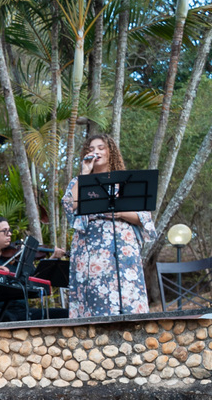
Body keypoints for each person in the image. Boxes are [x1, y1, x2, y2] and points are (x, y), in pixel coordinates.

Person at [64, 133, 156, 317]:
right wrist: (84, 174)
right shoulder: (79, 181)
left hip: (122, 244)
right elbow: (69, 205)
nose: (96, 152)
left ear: (110, 152)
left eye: (101, 148)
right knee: (94, 293)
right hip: (90, 245)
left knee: (125, 291)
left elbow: (144, 217)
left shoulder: (126, 180)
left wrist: (119, 213)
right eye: (91, 149)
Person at [0, 216, 67, 321]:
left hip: (22, 310)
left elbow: (36, 279)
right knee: (5, 317)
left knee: (64, 314)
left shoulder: (18, 259)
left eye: (9, 230)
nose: (9, 234)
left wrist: (52, 259)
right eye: (4, 231)